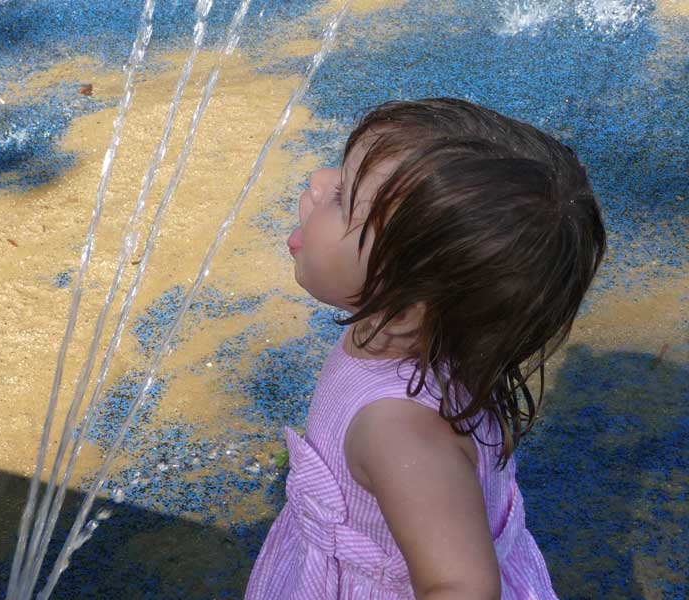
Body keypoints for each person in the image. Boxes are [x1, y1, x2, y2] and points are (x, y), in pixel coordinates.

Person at [244, 98, 607, 599]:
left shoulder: (400, 430)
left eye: (344, 198)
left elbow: (463, 587)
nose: (318, 178)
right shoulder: (425, 331)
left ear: (410, 299)